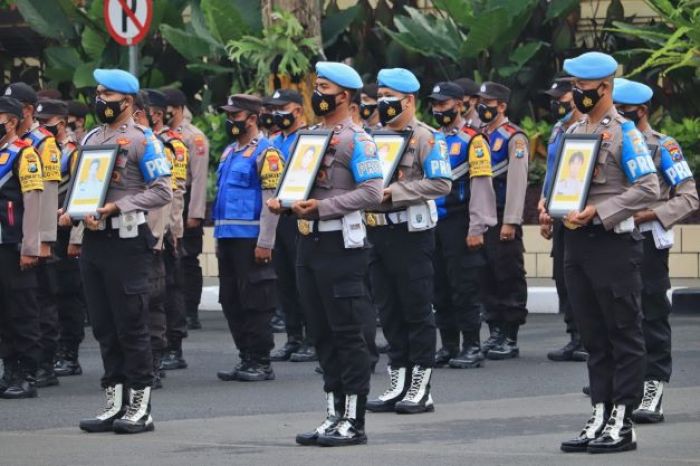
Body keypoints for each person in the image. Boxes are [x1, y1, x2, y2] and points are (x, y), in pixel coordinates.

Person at [542, 52, 659, 454]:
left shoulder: (626, 133)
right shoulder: (572, 130)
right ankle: (600, 412)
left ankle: (623, 420)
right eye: (573, 87)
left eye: (582, 88)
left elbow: (649, 186)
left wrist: (601, 211)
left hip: (611, 242)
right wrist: (549, 207)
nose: (575, 94)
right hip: (575, 241)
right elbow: (560, 180)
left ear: (604, 88)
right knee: (593, 333)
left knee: (622, 331)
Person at [268, 61, 383, 447]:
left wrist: (322, 208)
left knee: (348, 332)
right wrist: (284, 202)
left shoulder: (358, 140)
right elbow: (298, 185)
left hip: (340, 245)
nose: (317, 94)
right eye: (316, 86)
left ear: (344, 96)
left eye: (324, 87)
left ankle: (354, 419)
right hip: (309, 242)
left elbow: (372, 192)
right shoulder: (310, 137)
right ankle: (333, 414)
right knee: (321, 331)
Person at [60, 69, 172, 434]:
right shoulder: (92, 137)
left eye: (106, 94)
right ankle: (114, 402)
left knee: (132, 324)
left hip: (127, 240)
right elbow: (80, 187)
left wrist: (117, 207)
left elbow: (162, 191)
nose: (99, 100)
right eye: (97, 93)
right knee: (105, 326)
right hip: (94, 241)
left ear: (127, 101)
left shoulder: (144, 141)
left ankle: (140, 406)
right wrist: (70, 213)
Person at [365, 68, 451, 415]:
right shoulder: (374, 137)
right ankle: (398, 378)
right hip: (378, 230)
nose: (383, 104)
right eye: (380, 97)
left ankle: (421, 385)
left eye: (390, 98)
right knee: (389, 310)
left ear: (409, 100)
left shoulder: (427, 138)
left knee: (416, 309)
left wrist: (396, 192)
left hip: (411, 233)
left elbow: (441, 183)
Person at [613, 78, 699, 424]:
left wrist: (652, 214)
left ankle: (653, 385)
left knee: (651, 311)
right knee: (617, 312)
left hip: (647, 237)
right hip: (612, 235)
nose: (617, 116)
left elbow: (689, 195)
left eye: (623, 111)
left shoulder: (663, 146)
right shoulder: (608, 139)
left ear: (641, 111)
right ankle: (624, 383)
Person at [213, 94, 284, 383]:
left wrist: (265, 242)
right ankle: (245, 357)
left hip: (251, 239)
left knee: (255, 300)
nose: (231, 121)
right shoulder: (229, 152)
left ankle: (261, 361)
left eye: (236, 116)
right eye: (229, 116)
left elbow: (272, 201)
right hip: (227, 238)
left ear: (252, 119)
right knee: (231, 300)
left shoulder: (266, 153)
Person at [428, 81, 497, 369]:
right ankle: (448, 345)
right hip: (433, 223)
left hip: (460, 222)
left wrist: (477, 227)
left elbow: (481, 187)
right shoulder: (429, 139)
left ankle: (472, 345)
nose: (438, 110)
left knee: (463, 286)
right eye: (435, 104)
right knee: (439, 287)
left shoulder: (473, 141)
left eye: (444, 104)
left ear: (459, 104)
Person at [265, 89, 318, 364]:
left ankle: (312, 339)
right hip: (278, 216)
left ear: (297, 110)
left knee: (303, 281)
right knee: (284, 279)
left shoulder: (309, 139)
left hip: (302, 215)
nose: (277, 114)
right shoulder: (272, 142)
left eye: (282, 108)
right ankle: (293, 337)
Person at [478, 81, 529, 360]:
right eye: (480, 102)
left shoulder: (514, 137)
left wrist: (511, 220)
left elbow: (518, 183)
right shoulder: (479, 135)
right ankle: (495, 329)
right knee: (485, 275)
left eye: (488, 103)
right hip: (481, 216)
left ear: (502, 106)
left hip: (501, 216)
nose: (482, 107)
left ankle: (510, 334)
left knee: (507, 274)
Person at [16, 92, 63, 389]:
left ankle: (46, 362)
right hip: (15, 234)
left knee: (42, 301)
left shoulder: (44, 143)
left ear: (27, 111)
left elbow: (48, 192)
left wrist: (44, 237)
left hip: (37, 234)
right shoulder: (12, 145)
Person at [539, 79, 588, 363]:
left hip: (581, 214)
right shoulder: (559, 129)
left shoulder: (593, 129)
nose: (557, 103)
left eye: (562, 98)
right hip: (559, 210)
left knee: (583, 277)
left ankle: (587, 337)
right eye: (554, 98)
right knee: (563, 276)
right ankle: (574, 336)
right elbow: (551, 171)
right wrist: (543, 204)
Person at [0, 96, 43, 399]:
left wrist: (31, 246)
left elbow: (34, 202)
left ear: (11, 121)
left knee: (22, 310)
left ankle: (27, 373)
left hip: (14, 244)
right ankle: (9, 369)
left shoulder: (25, 154)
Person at [146, 89, 190, 374]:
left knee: (166, 291)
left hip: (165, 229)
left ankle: (171, 346)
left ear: (158, 115)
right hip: (144, 228)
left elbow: (175, 192)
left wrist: (173, 231)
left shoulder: (173, 145)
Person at [162, 88, 209, 330]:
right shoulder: (163, 135)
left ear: (179, 109)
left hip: (188, 198)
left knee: (189, 259)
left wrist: (195, 213)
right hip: (167, 198)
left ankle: (191, 311)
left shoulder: (193, 136)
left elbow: (200, 178)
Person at [132, 91, 169, 390]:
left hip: (148, 235)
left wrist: (156, 238)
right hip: (125, 236)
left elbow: (165, 198)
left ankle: (154, 362)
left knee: (151, 303)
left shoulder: (152, 145)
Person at [52, 100, 86, 377]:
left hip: (66, 230)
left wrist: (77, 236)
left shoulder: (74, 152)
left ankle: (69, 352)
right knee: (47, 294)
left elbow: (81, 194)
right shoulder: (41, 148)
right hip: (46, 229)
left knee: (67, 293)